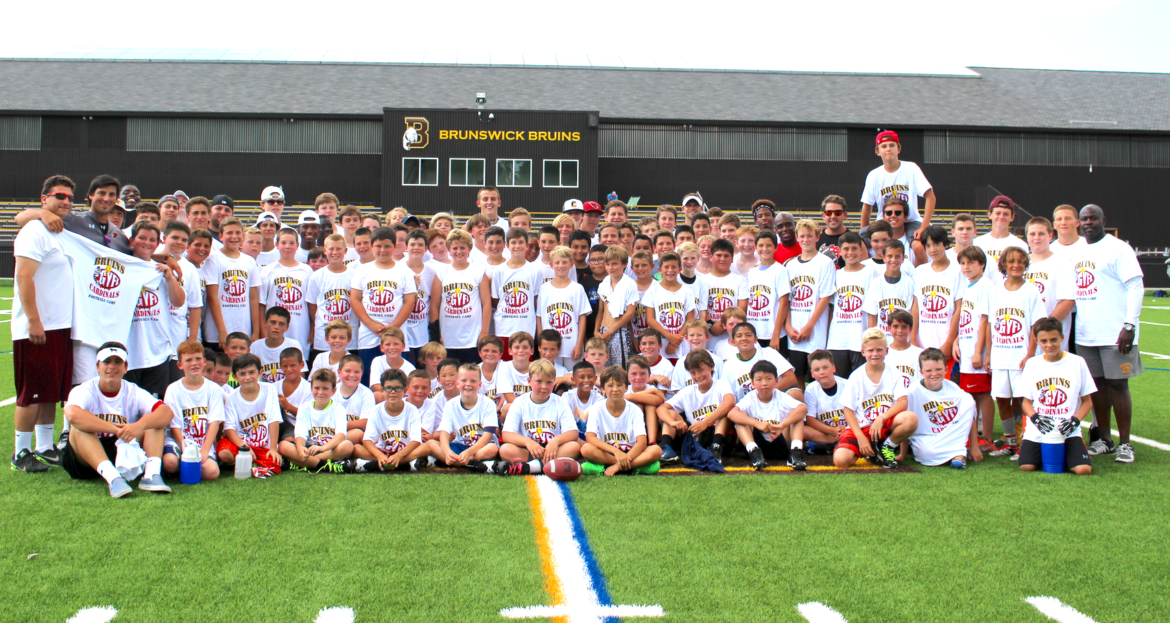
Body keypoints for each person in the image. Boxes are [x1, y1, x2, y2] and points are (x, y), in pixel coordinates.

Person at [1056, 204, 1143, 463]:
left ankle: (1126, 443)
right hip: (1086, 334)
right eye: (1084, 219)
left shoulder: (1118, 248)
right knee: (1097, 389)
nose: (1088, 222)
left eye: (1093, 218)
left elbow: (1136, 285)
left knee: (1118, 385)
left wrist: (1130, 324)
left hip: (1115, 332)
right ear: (1079, 223)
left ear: (1104, 220)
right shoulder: (1077, 251)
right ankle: (1104, 439)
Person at [11, 175, 77, 470]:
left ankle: (45, 446)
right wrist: (34, 321)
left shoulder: (59, 231)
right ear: (44, 198)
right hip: (38, 327)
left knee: (49, 390)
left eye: (70, 198)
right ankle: (20, 452)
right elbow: (24, 276)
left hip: (60, 326)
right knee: (31, 392)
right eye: (59, 196)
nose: (65, 201)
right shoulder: (34, 231)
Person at [61, 343, 175, 497]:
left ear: (126, 367)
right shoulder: (84, 390)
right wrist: (116, 430)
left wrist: (138, 426)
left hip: (123, 452)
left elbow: (166, 412)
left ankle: (151, 475)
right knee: (79, 428)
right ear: (97, 366)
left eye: (118, 362)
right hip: (86, 456)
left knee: (154, 421)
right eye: (107, 362)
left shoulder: (133, 390)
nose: (112, 367)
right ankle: (113, 478)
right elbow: (73, 414)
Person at [979, 247, 1045, 458]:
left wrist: (1030, 354)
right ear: (1003, 265)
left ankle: (1028, 442)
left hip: (1020, 356)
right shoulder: (995, 291)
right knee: (1001, 399)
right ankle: (1010, 443)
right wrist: (988, 354)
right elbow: (990, 324)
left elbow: (1036, 325)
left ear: (1026, 264)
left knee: (1022, 401)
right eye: (1011, 261)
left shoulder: (1031, 291)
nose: (1016, 265)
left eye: (1020, 261)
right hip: (999, 356)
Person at [1018, 317, 1095, 475]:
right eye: (1044, 341)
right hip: (1040, 428)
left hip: (1067, 428)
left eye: (1054, 340)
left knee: (1083, 469)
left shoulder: (1077, 362)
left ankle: (1073, 448)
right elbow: (1026, 402)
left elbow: (1087, 402)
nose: (1049, 345)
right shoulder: (1032, 364)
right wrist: (1035, 418)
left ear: (1062, 337)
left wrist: (1075, 421)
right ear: (1036, 340)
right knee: (1027, 466)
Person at [833, 328, 918, 469]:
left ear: (886, 351)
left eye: (879, 350)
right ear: (863, 352)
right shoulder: (856, 376)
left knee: (910, 419)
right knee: (841, 461)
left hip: (884, 424)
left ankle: (887, 448)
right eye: (871, 350)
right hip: (863, 426)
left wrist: (881, 418)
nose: (875, 354)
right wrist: (860, 437)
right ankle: (871, 451)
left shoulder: (894, 373)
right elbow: (848, 410)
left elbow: (903, 402)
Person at [124, 222, 186, 399]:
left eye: (152, 240)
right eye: (142, 238)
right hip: (130, 348)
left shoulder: (160, 270)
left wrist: (170, 278)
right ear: (131, 240)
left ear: (158, 243)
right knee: (130, 402)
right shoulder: (123, 267)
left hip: (156, 347)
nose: (147, 242)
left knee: (153, 402)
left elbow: (179, 301)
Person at [350, 227, 417, 383]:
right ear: (372, 246)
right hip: (369, 335)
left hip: (396, 336)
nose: (382, 250)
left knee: (397, 380)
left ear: (395, 247)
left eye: (387, 246)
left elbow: (409, 301)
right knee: (368, 380)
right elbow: (355, 299)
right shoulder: (362, 270)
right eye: (378, 246)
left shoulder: (404, 271)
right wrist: (371, 325)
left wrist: (394, 327)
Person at [498, 360, 582, 475]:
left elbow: (572, 432)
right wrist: (527, 442)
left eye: (549, 382)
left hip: (552, 450)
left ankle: (529, 467)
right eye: (539, 381)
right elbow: (507, 434)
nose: (544, 387)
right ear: (529, 381)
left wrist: (555, 442)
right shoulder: (520, 402)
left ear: (554, 382)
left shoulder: (560, 402)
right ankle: (545, 465)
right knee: (505, 450)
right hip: (529, 450)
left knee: (574, 447)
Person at [905, 348, 983, 469]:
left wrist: (974, 446)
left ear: (946, 369)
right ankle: (957, 452)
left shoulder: (953, 388)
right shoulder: (913, 391)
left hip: (950, 433)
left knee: (968, 400)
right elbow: (905, 422)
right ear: (921, 372)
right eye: (929, 370)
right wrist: (903, 453)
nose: (934, 374)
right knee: (926, 451)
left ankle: (959, 454)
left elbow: (968, 415)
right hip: (926, 437)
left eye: (939, 369)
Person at [656, 349, 735, 465]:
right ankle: (666, 448)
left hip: (718, 433)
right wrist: (673, 423)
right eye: (693, 373)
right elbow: (661, 409)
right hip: (696, 435)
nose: (698, 376)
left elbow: (729, 402)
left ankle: (716, 447)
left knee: (727, 412)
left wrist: (706, 422)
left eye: (701, 370)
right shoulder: (687, 391)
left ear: (711, 367)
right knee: (671, 413)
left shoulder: (721, 384)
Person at [860, 130, 936, 249]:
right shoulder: (874, 175)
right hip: (884, 221)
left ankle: (920, 268)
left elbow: (930, 196)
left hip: (911, 220)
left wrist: (924, 226)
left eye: (892, 145)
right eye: (884, 146)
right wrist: (864, 232)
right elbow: (867, 205)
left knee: (918, 246)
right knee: (859, 243)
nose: (888, 149)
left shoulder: (911, 168)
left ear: (899, 149)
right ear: (877, 151)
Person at [728, 360, 810, 470]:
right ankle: (754, 453)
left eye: (769, 378)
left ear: (776, 381)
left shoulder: (781, 396)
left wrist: (782, 425)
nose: (764, 383)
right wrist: (757, 424)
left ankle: (796, 453)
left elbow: (803, 408)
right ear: (752, 383)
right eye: (759, 380)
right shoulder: (750, 398)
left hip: (780, 441)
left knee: (795, 414)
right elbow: (731, 414)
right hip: (758, 443)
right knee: (741, 417)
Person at [581, 367, 663, 476]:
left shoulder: (634, 410)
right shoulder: (596, 409)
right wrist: (616, 452)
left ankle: (612, 468)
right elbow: (590, 438)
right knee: (586, 449)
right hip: (607, 453)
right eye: (610, 386)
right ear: (603, 389)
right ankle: (633, 467)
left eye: (619, 385)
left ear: (626, 388)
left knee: (656, 450)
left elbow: (642, 442)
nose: (615, 389)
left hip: (631, 454)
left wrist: (621, 461)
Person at [161, 342, 224, 480]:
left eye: (197, 359)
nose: (194, 363)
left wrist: (205, 450)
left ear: (204, 361)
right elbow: (174, 426)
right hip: (179, 442)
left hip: (202, 442)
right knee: (170, 463)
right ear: (180, 365)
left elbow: (214, 423)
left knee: (212, 472)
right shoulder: (173, 389)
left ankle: (187, 469)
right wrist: (186, 451)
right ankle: (179, 468)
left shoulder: (214, 389)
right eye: (188, 360)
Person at [784, 219, 836, 381]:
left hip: (815, 330)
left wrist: (809, 326)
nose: (805, 240)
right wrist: (787, 326)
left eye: (809, 236)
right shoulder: (791, 265)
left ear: (817, 237)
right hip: (794, 331)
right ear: (797, 238)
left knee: (818, 376)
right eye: (802, 236)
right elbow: (786, 299)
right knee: (797, 377)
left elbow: (825, 297)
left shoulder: (825, 263)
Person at [351, 369, 430, 473]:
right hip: (383, 452)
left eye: (397, 388)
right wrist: (379, 455)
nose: (392, 392)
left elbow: (416, 440)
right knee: (356, 448)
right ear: (382, 390)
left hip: (404, 452)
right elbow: (367, 440)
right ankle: (403, 464)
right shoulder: (376, 410)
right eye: (388, 388)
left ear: (405, 391)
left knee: (427, 447)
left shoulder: (411, 409)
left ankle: (374, 464)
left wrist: (398, 456)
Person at [954, 247, 995, 450]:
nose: (966, 267)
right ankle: (974, 435)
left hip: (976, 351)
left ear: (982, 265)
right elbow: (965, 318)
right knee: (970, 395)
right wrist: (956, 341)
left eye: (971, 263)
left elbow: (985, 320)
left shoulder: (985, 285)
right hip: (966, 346)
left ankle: (986, 437)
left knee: (983, 394)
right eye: (963, 263)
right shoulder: (968, 286)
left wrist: (979, 351)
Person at [431, 229, 490, 364]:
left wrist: (484, 332)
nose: (459, 251)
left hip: (472, 337)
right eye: (455, 248)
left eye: (462, 247)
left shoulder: (478, 271)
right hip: (448, 337)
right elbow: (434, 305)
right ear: (449, 250)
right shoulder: (441, 272)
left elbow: (486, 304)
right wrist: (436, 335)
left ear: (469, 249)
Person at [218, 353, 284, 473]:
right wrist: (244, 448)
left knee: (274, 463)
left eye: (251, 372)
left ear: (260, 373)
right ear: (235, 376)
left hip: (262, 445)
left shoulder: (269, 389)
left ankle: (248, 463)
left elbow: (274, 419)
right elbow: (228, 428)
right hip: (241, 444)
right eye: (242, 374)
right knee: (224, 453)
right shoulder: (232, 397)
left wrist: (273, 448)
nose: (247, 377)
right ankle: (244, 462)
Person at [430, 363, 501, 472]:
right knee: (431, 444)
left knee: (491, 449)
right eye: (464, 381)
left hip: (482, 447)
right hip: (460, 445)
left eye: (473, 381)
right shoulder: (450, 405)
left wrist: (469, 453)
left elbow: (488, 435)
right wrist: (447, 452)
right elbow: (444, 433)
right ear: (457, 383)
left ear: (480, 385)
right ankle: (473, 464)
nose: (468, 384)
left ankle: (457, 461)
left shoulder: (488, 403)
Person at [912, 226, 964, 374]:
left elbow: (958, 309)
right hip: (923, 339)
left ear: (945, 244)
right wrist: (913, 337)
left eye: (936, 244)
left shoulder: (958, 272)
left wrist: (949, 342)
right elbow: (916, 306)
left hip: (945, 338)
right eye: (928, 246)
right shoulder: (920, 271)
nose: (932, 249)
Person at [204, 217, 261, 349]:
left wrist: (255, 332)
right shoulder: (213, 259)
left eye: (237, 233)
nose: (234, 237)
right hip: (217, 333)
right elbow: (212, 297)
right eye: (229, 233)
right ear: (220, 236)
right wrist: (222, 331)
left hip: (243, 331)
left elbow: (253, 298)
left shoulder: (249, 261)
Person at [282, 368, 353, 472]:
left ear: (334, 391)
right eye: (316, 388)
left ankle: (304, 463)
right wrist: (301, 449)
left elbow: (341, 435)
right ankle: (325, 466)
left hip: (329, 449)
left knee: (347, 446)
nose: (320, 392)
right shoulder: (304, 408)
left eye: (325, 388)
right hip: (309, 449)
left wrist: (323, 448)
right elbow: (300, 434)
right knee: (283, 446)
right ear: (311, 389)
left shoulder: (339, 409)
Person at [259, 229, 312, 359]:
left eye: (291, 243)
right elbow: (261, 304)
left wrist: (313, 328)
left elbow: (311, 303)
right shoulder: (268, 270)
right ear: (277, 245)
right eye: (283, 243)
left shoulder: (306, 270)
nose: (287, 247)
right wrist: (262, 329)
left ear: (297, 245)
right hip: (273, 329)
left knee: (297, 365)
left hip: (299, 328)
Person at [306, 234, 359, 364]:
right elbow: (312, 305)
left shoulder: (355, 275)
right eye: (331, 249)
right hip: (323, 335)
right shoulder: (317, 276)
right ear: (325, 251)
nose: (334, 252)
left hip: (349, 336)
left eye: (338, 249)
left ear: (345, 251)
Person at [825, 232, 872, 377]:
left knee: (860, 383)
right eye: (846, 249)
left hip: (860, 338)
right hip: (838, 339)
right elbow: (831, 308)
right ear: (840, 251)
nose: (850, 253)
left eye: (854, 248)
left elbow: (872, 309)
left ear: (861, 250)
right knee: (840, 382)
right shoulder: (836, 275)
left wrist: (870, 337)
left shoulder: (871, 273)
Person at [537, 247, 592, 368]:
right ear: (551, 265)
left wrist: (579, 344)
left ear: (571, 264)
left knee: (571, 378)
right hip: (550, 347)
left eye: (564, 262)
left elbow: (582, 318)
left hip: (571, 345)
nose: (560, 266)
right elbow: (539, 317)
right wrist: (541, 343)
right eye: (557, 262)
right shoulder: (544, 288)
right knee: (550, 377)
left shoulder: (577, 288)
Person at [490, 228, 541, 358]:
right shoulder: (499, 271)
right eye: (513, 242)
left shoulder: (534, 272)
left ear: (526, 245)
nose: (517, 246)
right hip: (504, 327)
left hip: (526, 328)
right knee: (504, 366)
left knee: (525, 369)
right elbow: (496, 300)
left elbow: (535, 300)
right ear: (507, 246)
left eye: (520, 242)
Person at [862, 239, 916, 339]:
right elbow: (872, 315)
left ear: (903, 259)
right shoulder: (876, 283)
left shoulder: (909, 283)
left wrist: (911, 338)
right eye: (890, 256)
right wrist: (873, 338)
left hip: (903, 339)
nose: (893, 260)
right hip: (883, 339)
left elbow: (912, 314)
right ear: (883, 258)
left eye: (897, 256)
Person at [596, 245, 638, 369]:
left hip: (619, 331)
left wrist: (610, 331)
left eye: (615, 264)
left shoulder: (630, 284)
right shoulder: (604, 283)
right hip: (603, 331)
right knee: (604, 367)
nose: (610, 267)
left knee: (620, 368)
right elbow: (601, 311)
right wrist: (596, 330)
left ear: (624, 264)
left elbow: (630, 313)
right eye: (608, 264)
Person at [802, 350, 849, 455]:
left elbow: (857, 413)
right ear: (812, 374)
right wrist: (831, 431)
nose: (822, 372)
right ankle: (833, 443)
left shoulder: (847, 385)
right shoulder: (811, 389)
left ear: (834, 368)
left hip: (847, 429)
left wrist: (846, 429)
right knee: (802, 430)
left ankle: (829, 445)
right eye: (817, 370)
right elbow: (809, 419)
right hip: (826, 432)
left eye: (825, 368)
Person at [973, 195, 1029, 283]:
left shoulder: (1020, 245)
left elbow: (1024, 274)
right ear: (990, 214)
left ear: (1012, 217)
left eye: (1006, 214)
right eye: (998, 213)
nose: (1001, 217)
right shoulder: (977, 243)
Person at [704, 239, 747, 349]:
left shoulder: (740, 280)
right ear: (711, 257)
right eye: (718, 255)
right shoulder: (702, 281)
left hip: (732, 333)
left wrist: (725, 324)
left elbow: (742, 306)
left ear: (732, 258)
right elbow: (701, 308)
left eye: (726, 256)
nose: (722, 259)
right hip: (710, 335)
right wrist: (711, 325)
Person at [250, 307, 302, 384]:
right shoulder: (255, 346)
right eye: (273, 322)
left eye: (281, 324)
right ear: (265, 324)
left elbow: (300, 374)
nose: (276, 327)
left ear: (287, 327)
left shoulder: (293, 345)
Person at [817, 195, 852, 268]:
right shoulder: (816, 238)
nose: (833, 216)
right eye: (828, 213)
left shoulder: (854, 239)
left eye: (838, 213)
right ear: (823, 216)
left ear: (845, 215)